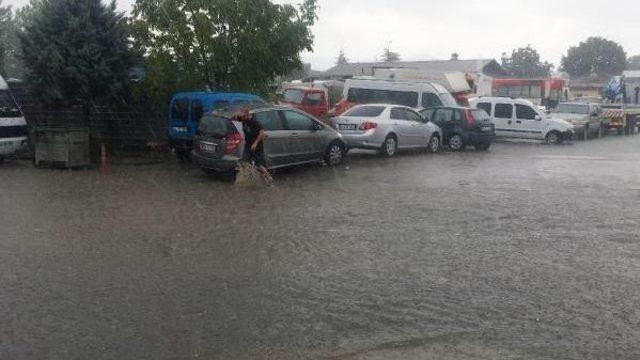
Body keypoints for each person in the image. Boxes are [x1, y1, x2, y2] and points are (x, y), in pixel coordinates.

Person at [233, 108, 273, 183]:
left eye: (244, 116)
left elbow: (262, 133)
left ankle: (268, 177)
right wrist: (238, 113)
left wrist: (255, 143)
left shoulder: (255, 122)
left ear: (248, 115)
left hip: (257, 147)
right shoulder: (243, 119)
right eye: (242, 117)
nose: (242, 118)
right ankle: (248, 177)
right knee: (244, 162)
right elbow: (234, 118)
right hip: (248, 145)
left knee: (259, 164)